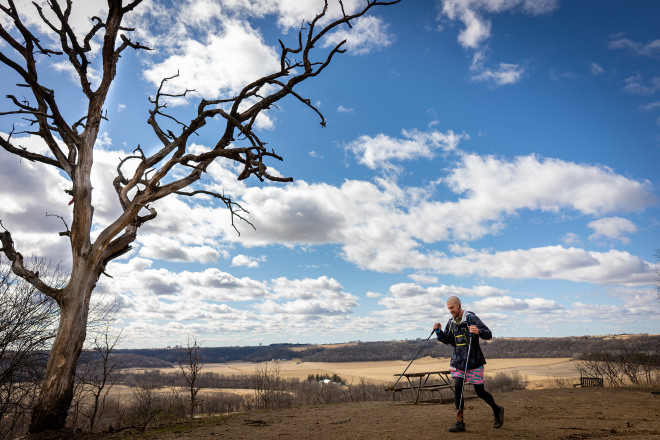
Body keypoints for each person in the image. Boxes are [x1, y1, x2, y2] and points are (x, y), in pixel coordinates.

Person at [434, 296, 504, 433]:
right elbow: (448, 340)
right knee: (458, 388)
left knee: (480, 392)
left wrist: (479, 332)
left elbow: (488, 334)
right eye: (448, 308)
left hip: (474, 361)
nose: (450, 311)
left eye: (452, 307)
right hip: (458, 362)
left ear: (459, 305)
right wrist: (438, 332)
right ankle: (460, 422)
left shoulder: (472, 318)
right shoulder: (451, 322)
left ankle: (497, 409)